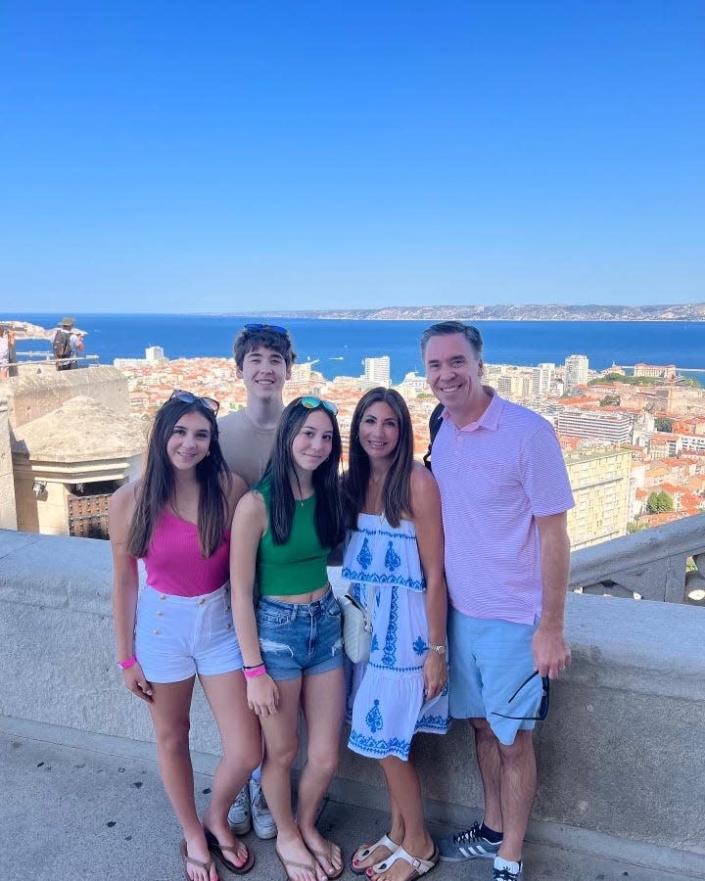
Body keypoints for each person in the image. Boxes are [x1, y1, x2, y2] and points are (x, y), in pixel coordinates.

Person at [421, 322, 574, 881]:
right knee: (482, 729)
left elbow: (554, 534)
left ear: (480, 364)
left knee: (515, 739)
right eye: (435, 365)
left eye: (456, 361)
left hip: (515, 619)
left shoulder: (528, 433)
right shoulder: (441, 428)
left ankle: (510, 850)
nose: (446, 374)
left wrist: (550, 626)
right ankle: (489, 828)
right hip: (462, 615)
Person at [110, 390, 260, 881]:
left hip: (219, 627)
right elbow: (126, 580)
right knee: (172, 737)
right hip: (161, 629)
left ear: (212, 442)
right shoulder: (130, 501)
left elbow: (244, 571)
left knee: (246, 749)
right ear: (161, 435)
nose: (189, 444)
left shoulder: (229, 488)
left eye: (201, 434)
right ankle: (193, 833)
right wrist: (126, 658)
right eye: (180, 432)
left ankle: (216, 814)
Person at [230, 396, 346, 881]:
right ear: (288, 437)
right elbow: (238, 593)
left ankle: (302, 825)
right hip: (276, 632)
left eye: (325, 437)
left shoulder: (331, 494)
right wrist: (254, 671)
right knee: (281, 752)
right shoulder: (256, 504)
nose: (317, 445)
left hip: (328, 625)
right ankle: (286, 835)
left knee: (324, 753)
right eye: (307, 434)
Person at [342, 388, 449, 881]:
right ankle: (400, 831)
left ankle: (420, 844)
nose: (377, 432)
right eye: (369, 421)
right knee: (389, 738)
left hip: (406, 634)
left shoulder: (417, 483)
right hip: (368, 632)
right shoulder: (354, 482)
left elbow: (435, 572)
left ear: (403, 430)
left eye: (388, 423)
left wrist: (435, 650)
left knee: (385, 740)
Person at [220, 322, 296, 839]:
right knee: (244, 695)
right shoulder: (220, 433)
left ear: (289, 369)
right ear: (241, 369)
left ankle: (268, 791)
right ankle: (248, 782)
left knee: (278, 702)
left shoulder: (303, 427)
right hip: (230, 587)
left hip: (287, 592)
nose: (266, 368)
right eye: (257, 359)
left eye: (276, 359)